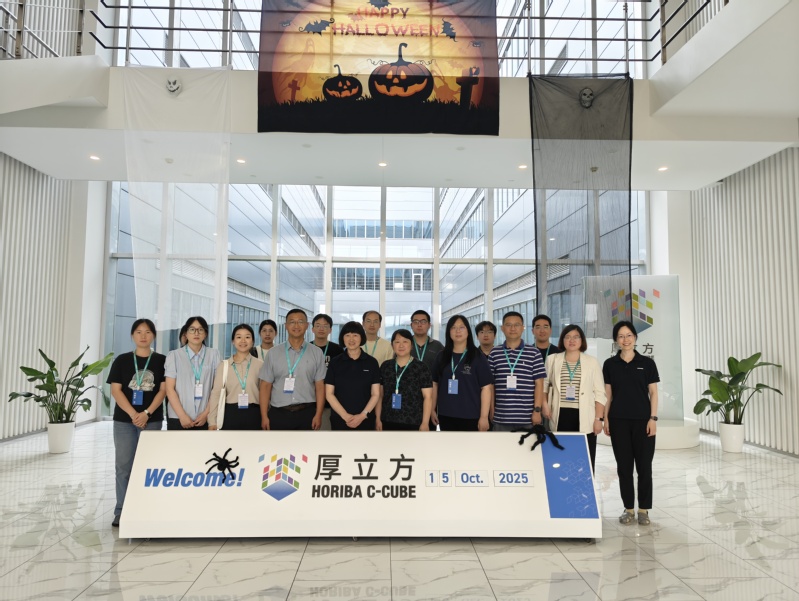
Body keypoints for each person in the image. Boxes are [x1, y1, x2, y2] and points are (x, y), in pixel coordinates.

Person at [107, 318, 166, 527]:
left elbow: (163, 390)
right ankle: (122, 511)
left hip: (152, 420)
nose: (143, 336)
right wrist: (134, 414)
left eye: (148, 332)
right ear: (132, 335)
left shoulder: (161, 360)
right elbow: (116, 390)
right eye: (139, 332)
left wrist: (146, 413)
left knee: (148, 466)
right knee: (123, 466)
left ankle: (146, 509)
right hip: (124, 421)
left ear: (153, 336)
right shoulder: (122, 360)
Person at [603, 320, 660, 526]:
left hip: (643, 422)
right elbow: (608, 395)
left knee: (644, 467)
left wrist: (653, 418)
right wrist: (605, 418)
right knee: (624, 468)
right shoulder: (610, 364)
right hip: (618, 422)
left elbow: (653, 393)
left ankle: (644, 509)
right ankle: (628, 509)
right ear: (616, 340)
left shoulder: (647, 363)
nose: (625, 339)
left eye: (629, 335)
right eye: (621, 336)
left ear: (635, 338)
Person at [543, 324, 606, 471]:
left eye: (576, 337)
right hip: (560, 414)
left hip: (585, 415)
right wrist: (545, 405)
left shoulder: (592, 362)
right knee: (560, 457)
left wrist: (598, 419)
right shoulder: (552, 359)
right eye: (568, 337)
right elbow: (544, 385)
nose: (572, 340)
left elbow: (600, 392)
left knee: (585, 458)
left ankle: (585, 484)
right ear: (562, 340)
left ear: (582, 340)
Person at [259, 309, 326, 430]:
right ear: (286, 326)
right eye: (292, 322)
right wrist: (264, 416)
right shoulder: (273, 353)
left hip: (307, 413)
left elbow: (320, 386)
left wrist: (318, 414)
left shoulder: (317, 353)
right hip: (278, 413)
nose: (296, 326)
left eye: (300, 322)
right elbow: (265, 386)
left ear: (307, 325)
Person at [432, 315, 493, 431]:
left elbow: (486, 388)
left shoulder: (478, 356)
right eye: (453, 327)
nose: (457, 331)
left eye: (461, 327)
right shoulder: (442, 356)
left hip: (471, 416)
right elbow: (434, 384)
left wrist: (484, 417)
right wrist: (432, 409)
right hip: (446, 415)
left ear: (468, 331)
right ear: (448, 332)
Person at [488, 312, 546, 432]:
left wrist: (537, 410)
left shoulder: (534, 353)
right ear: (502, 328)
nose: (513, 328)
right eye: (508, 325)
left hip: (528, 419)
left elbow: (539, 384)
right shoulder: (494, 353)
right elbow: (490, 386)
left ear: (523, 328)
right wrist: (492, 409)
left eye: (517, 325)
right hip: (501, 418)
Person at [165, 316, 220, 430]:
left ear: (205, 334)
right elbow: (169, 389)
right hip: (178, 418)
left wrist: (206, 414)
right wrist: (182, 416)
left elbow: (217, 388)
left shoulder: (214, 355)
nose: (196, 333)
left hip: (205, 417)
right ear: (186, 333)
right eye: (192, 329)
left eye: (200, 330)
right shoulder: (174, 355)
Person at [325, 321, 381, 430]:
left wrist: (362, 415)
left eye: (355, 335)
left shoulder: (371, 362)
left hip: (365, 419)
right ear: (342, 338)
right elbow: (329, 394)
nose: (351, 339)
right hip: (340, 420)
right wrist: (346, 416)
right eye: (347, 335)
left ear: (361, 338)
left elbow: (375, 394)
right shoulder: (335, 362)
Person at [208, 324, 263, 431]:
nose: (243, 341)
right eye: (238, 337)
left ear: (253, 341)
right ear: (233, 341)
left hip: (254, 414)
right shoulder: (224, 365)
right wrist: (212, 421)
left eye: (247, 337)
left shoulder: (260, 365)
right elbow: (216, 394)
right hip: (230, 414)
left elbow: (265, 394)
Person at [377, 329, 433, 431]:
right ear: (392, 345)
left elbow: (428, 397)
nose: (401, 345)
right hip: (388, 419)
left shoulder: (421, 367)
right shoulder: (385, 366)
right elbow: (380, 395)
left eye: (405, 342)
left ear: (411, 345)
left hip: (414, 421)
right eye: (397, 342)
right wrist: (377, 419)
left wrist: (425, 422)